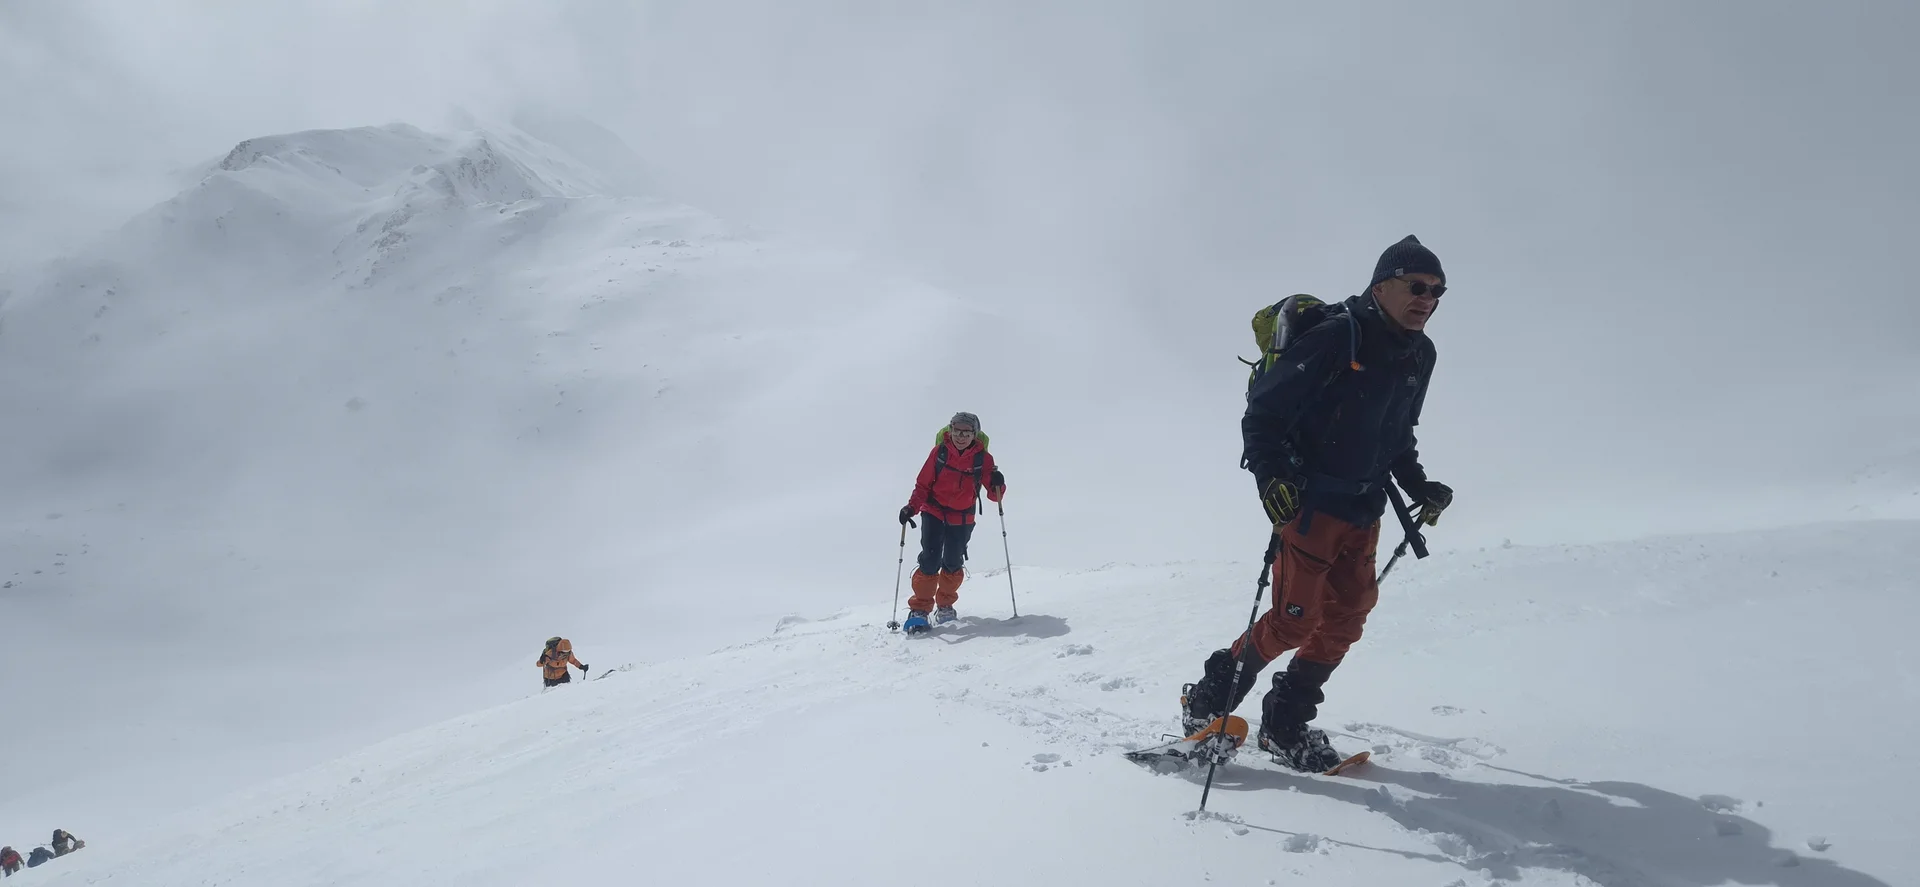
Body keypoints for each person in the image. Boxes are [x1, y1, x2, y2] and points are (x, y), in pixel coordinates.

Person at [1180, 235, 1455, 772]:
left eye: (1438, 292)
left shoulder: (1421, 354)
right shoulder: (1337, 338)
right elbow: (1264, 414)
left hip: (1365, 507)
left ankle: (1284, 722)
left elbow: (1396, 435)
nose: (1428, 299)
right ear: (1381, 286)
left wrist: (1419, 485)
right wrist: (1270, 478)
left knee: (1347, 619)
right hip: (1309, 505)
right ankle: (1209, 699)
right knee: (1292, 622)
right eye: (1417, 287)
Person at [897, 411, 1005, 633]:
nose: (961, 436)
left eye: (966, 432)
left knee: (953, 562)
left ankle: (945, 606)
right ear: (950, 430)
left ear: (975, 434)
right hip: (934, 510)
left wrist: (998, 483)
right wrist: (911, 508)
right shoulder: (939, 452)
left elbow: (995, 496)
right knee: (929, 559)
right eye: (957, 431)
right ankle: (920, 610)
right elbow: (923, 485)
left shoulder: (983, 459)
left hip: (963, 515)